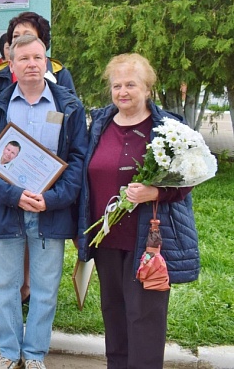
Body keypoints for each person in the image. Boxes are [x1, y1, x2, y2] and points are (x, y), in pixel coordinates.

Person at [77, 54, 199, 369]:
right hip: (107, 239)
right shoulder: (100, 123)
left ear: (147, 89)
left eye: (131, 84)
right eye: (117, 85)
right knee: (114, 313)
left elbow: (188, 179)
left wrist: (155, 191)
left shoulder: (168, 128)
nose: (123, 92)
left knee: (144, 317)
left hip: (148, 242)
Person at [0, 35, 88, 369]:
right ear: (10, 66)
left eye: (37, 58)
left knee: (44, 289)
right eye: (23, 58)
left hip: (50, 211)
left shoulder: (68, 106)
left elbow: (79, 161)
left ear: (46, 62)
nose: (31, 64)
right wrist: (13, 195)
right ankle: (10, 353)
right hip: (6, 209)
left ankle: (36, 353)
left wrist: (51, 199)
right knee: (5, 286)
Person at [0, 12, 75, 96]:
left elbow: (71, 106)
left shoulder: (59, 73)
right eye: (16, 36)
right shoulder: (1, 74)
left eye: (27, 35)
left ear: (42, 40)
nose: (21, 40)